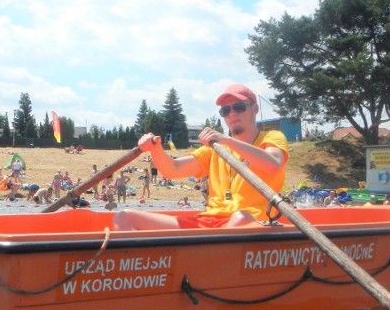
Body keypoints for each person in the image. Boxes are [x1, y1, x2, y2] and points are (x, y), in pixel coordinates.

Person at [114, 84, 289, 230]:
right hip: (210, 221)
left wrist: (226, 140)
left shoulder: (270, 137)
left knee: (239, 218)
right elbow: (172, 170)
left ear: (255, 109)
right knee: (124, 218)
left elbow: (273, 164)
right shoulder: (215, 149)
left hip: (255, 222)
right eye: (225, 110)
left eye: (239, 107)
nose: (232, 113)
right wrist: (155, 149)